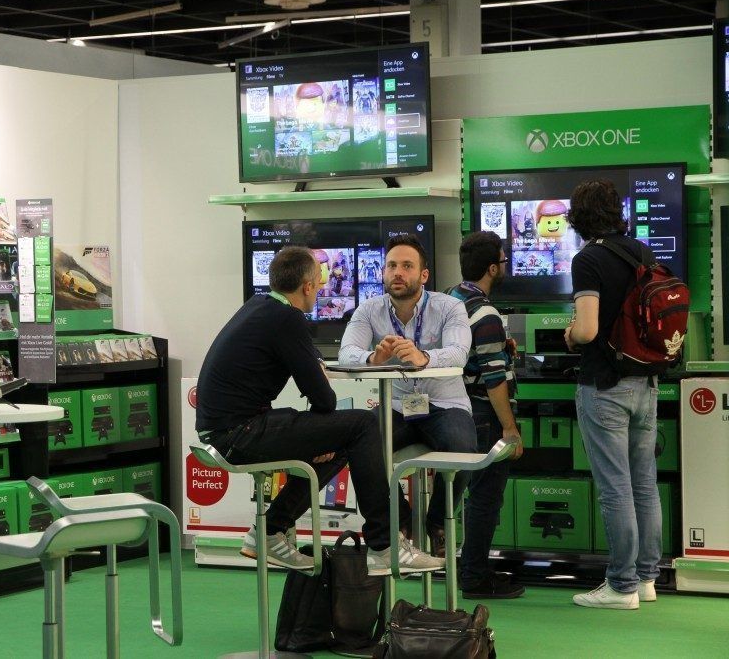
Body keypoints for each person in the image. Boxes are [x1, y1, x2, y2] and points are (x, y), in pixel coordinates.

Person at [195, 246, 443, 575]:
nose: (322, 286)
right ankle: (385, 545)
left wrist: (324, 438)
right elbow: (324, 399)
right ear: (308, 287)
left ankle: (269, 531)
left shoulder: (261, 307)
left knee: (345, 436)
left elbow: (314, 381)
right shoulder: (287, 319)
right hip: (238, 434)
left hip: (228, 431)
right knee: (365, 425)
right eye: (319, 280)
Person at [338, 234, 477, 554]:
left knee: (463, 447)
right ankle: (399, 519)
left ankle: (438, 522)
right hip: (397, 404)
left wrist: (425, 358)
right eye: (391, 266)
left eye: (407, 266)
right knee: (359, 444)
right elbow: (346, 354)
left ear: (423, 275)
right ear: (383, 272)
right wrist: (373, 359)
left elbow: (459, 354)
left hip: (444, 403)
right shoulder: (368, 310)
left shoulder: (449, 307)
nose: (397, 272)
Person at [564, 179, 661, 610]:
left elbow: (586, 329)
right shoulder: (642, 251)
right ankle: (646, 580)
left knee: (615, 487)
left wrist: (569, 334)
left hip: (604, 386)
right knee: (644, 483)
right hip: (647, 383)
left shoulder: (588, 259)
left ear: (578, 217)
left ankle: (620, 586)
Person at [448, 232, 525, 599]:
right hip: (484, 414)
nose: (506, 265)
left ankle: (464, 568)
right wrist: (510, 430)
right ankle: (475, 576)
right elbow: (494, 381)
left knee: (467, 494)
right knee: (485, 498)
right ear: (492, 268)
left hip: (456, 410)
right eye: (504, 260)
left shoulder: (449, 300)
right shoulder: (486, 313)